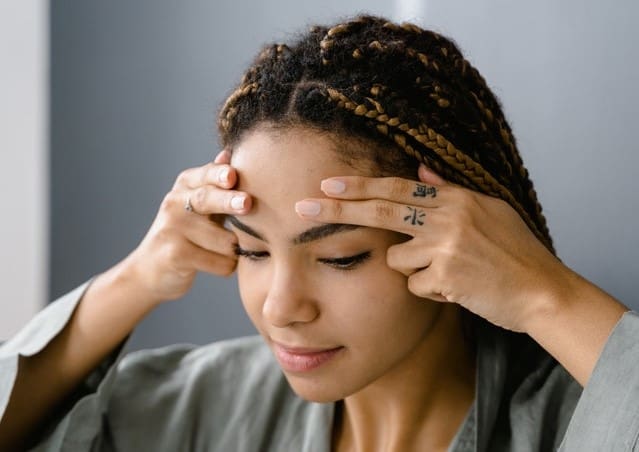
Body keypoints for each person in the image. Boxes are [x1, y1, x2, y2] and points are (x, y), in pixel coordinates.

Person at [0, 14, 637, 452]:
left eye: (339, 257)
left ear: (453, 242)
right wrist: (136, 278)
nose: (280, 309)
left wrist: (541, 294)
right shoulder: (208, 406)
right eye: (251, 249)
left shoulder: (563, 419)